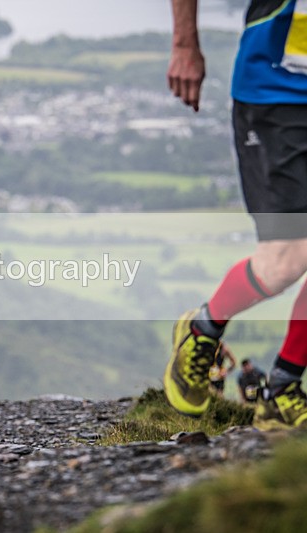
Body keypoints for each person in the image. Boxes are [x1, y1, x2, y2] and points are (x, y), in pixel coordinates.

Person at [164, 0, 307, 430]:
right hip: (279, 93)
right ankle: (202, 329)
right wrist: (185, 42)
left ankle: (282, 387)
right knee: (287, 259)